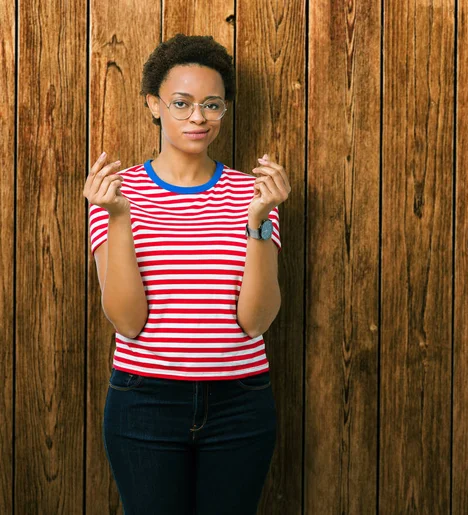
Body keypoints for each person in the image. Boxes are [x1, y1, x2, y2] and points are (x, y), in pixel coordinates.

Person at [83, 34, 291, 514]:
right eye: (181, 103)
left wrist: (257, 220)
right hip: (144, 402)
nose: (198, 117)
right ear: (154, 105)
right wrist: (117, 217)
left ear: (225, 110)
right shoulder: (117, 194)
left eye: (212, 104)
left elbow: (257, 321)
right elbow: (127, 322)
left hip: (241, 402)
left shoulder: (253, 194)